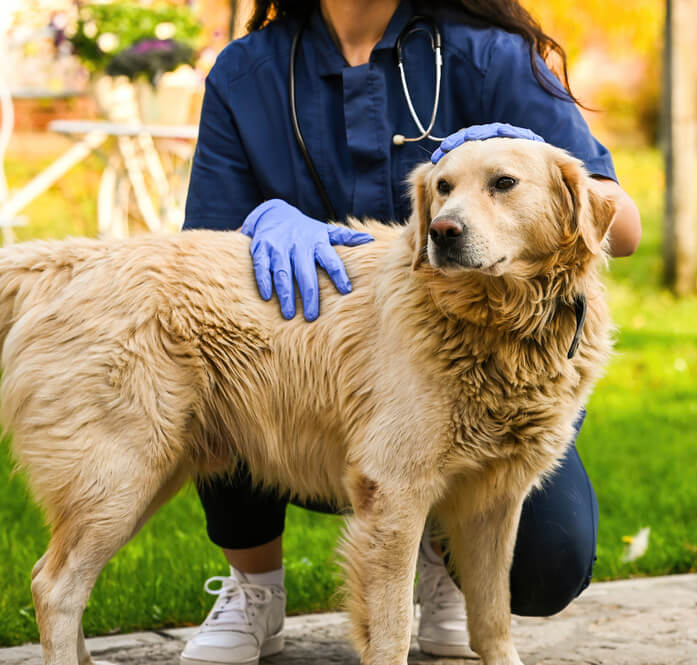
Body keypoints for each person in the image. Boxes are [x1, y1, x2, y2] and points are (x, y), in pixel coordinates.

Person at [180, 1, 641, 663]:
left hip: (476, 359)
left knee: (549, 560)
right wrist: (264, 220)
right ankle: (254, 586)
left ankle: (444, 562)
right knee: (225, 329)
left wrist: (530, 161)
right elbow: (205, 248)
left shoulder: (489, 53)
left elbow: (619, 230)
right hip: (308, 359)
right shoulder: (247, 71)